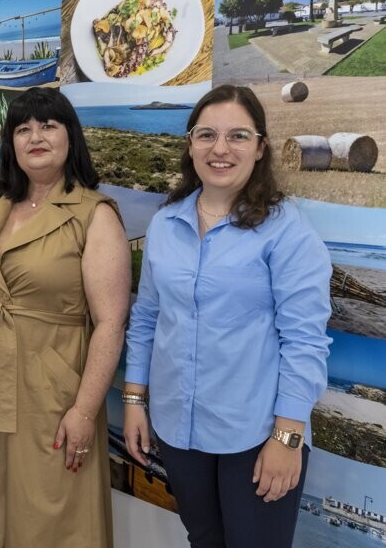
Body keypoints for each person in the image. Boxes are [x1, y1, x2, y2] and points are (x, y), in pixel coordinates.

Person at [123, 84, 332, 548]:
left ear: (260, 148)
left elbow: (305, 342)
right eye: (206, 135)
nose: (220, 149)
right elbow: (147, 317)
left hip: (258, 435)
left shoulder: (287, 232)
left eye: (237, 136)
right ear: (190, 144)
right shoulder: (166, 222)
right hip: (179, 429)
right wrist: (135, 401)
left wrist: (288, 436)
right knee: (204, 540)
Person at [0, 87, 130, 547]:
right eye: (23, 128)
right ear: (10, 143)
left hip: (54, 388)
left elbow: (110, 322)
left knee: (51, 513)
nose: (35, 136)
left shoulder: (94, 214)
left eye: (48, 125)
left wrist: (86, 410)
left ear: (71, 137)